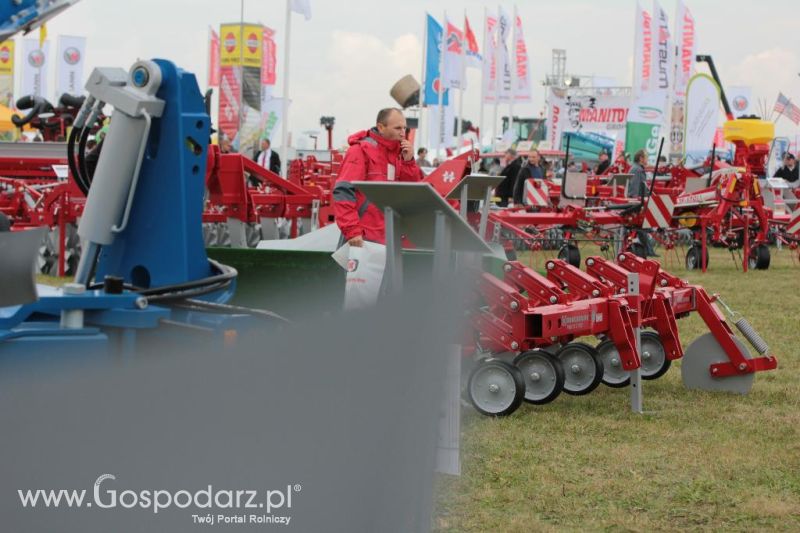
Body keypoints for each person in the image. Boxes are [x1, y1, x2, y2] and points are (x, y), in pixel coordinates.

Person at [333, 108, 423, 247]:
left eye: (404, 128)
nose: (402, 132)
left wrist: (408, 161)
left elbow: (411, 192)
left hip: (392, 238)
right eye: (398, 128)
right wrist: (352, 231)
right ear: (381, 127)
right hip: (363, 238)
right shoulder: (360, 151)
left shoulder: (401, 155)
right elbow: (344, 192)